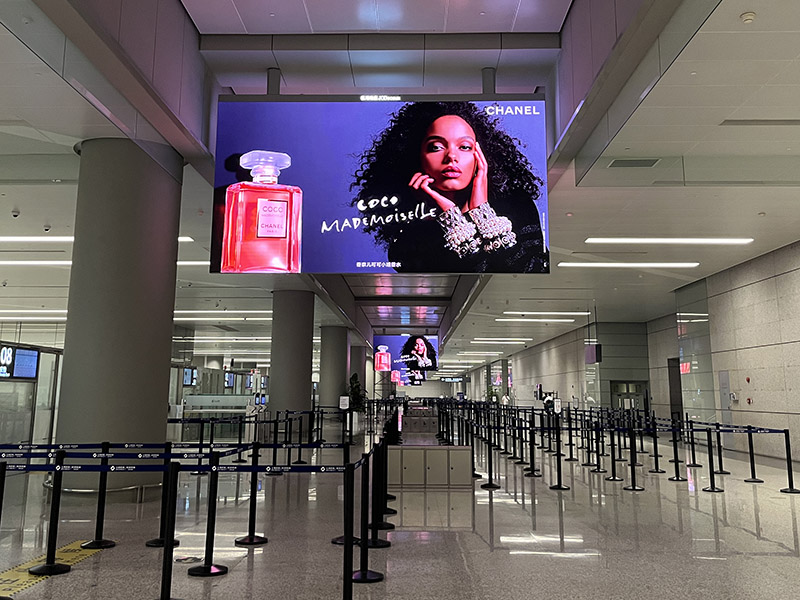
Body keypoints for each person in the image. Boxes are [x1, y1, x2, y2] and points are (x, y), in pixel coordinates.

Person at [351, 101, 548, 272]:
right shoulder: (409, 238)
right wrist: (451, 218)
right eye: (436, 147)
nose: (451, 156)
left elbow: (531, 272)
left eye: (464, 147)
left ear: (480, 154)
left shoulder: (516, 203)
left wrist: (482, 213)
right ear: (415, 157)